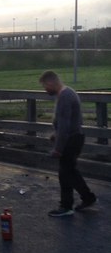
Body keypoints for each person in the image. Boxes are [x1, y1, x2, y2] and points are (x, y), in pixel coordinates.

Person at [39, 70, 97, 217]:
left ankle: (66, 206)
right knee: (70, 171)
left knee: (65, 173)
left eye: (45, 86)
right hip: (74, 137)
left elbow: (65, 125)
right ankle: (87, 197)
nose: (45, 89)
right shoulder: (68, 92)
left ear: (51, 82)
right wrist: (56, 134)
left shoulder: (65, 96)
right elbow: (72, 121)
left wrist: (58, 148)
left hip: (71, 140)